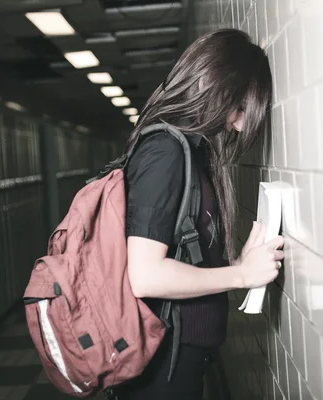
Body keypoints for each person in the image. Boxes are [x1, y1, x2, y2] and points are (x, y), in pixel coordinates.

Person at [116, 29, 285, 400]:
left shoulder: (188, 149)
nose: (240, 124)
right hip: (163, 367)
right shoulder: (165, 151)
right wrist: (240, 274)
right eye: (241, 106)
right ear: (217, 87)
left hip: (179, 356)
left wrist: (238, 262)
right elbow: (145, 276)